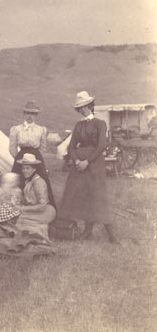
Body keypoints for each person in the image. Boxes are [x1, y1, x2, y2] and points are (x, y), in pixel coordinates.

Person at [60, 91, 119, 244]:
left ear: (91, 106)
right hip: (78, 165)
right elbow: (72, 146)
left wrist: (87, 161)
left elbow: (101, 145)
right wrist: (77, 161)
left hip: (94, 164)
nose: (83, 110)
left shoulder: (100, 124)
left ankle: (111, 233)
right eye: (80, 107)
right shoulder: (78, 125)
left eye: (85, 106)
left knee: (98, 195)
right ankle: (87, 231)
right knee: (81, 194)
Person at [9, 101, 55, 208]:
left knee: (39, 181)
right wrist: (19, 158)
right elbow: (12, 147)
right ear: (24, 114)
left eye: (33, 114)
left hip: (36, 158)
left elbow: (43, 147)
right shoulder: (17, 129)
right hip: (21, 158)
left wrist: (36, 157)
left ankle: (39, 206)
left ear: (36, 116)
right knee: (18, 182)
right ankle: (17, 208)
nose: (30, 116)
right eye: (28, 113)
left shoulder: (41, 129)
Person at [14, 153, 56, 239]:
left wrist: (23, 208)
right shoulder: (29, 181)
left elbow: (42, 205)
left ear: (34, 169)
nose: (25, 171)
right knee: (17, 217)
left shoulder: (38, 182)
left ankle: (40, 235)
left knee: (21, 219)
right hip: (34, 209)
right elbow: (30, 199)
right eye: (23, 168)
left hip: (45, 210)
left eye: (28, 168)